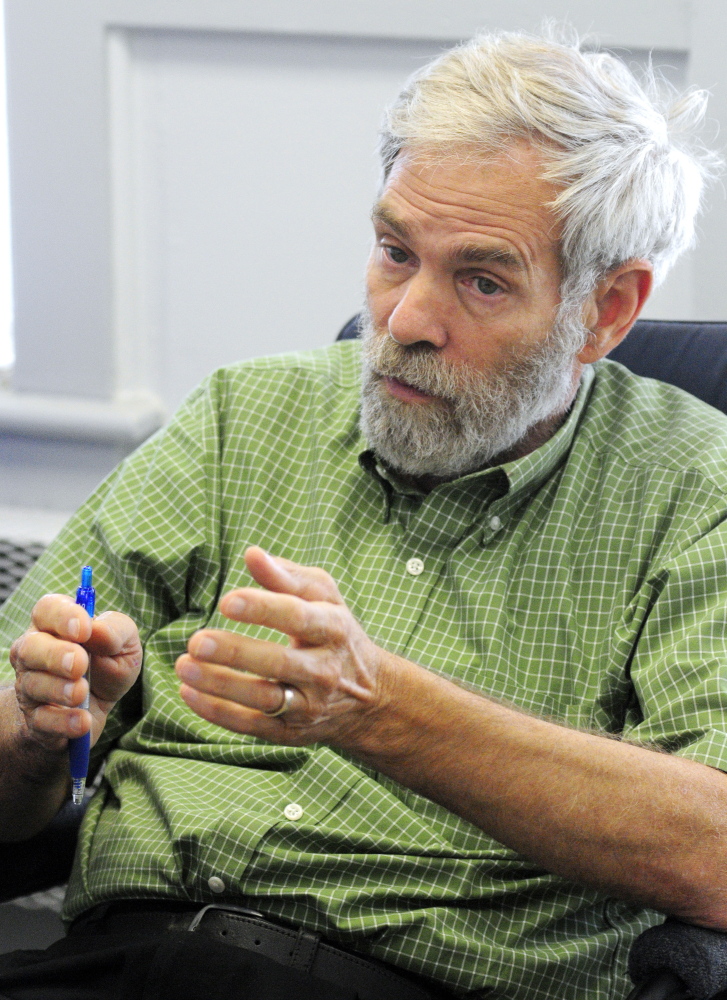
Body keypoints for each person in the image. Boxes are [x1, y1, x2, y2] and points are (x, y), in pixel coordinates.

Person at [0, 27, 725, 1000]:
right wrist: (37, 733)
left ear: (605, 310)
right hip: (114, 957)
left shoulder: (694, 488)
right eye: (394, 252)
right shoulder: (242, 418)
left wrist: (376, 706)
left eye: (480, 279)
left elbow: (713, 854)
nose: (405, 320)